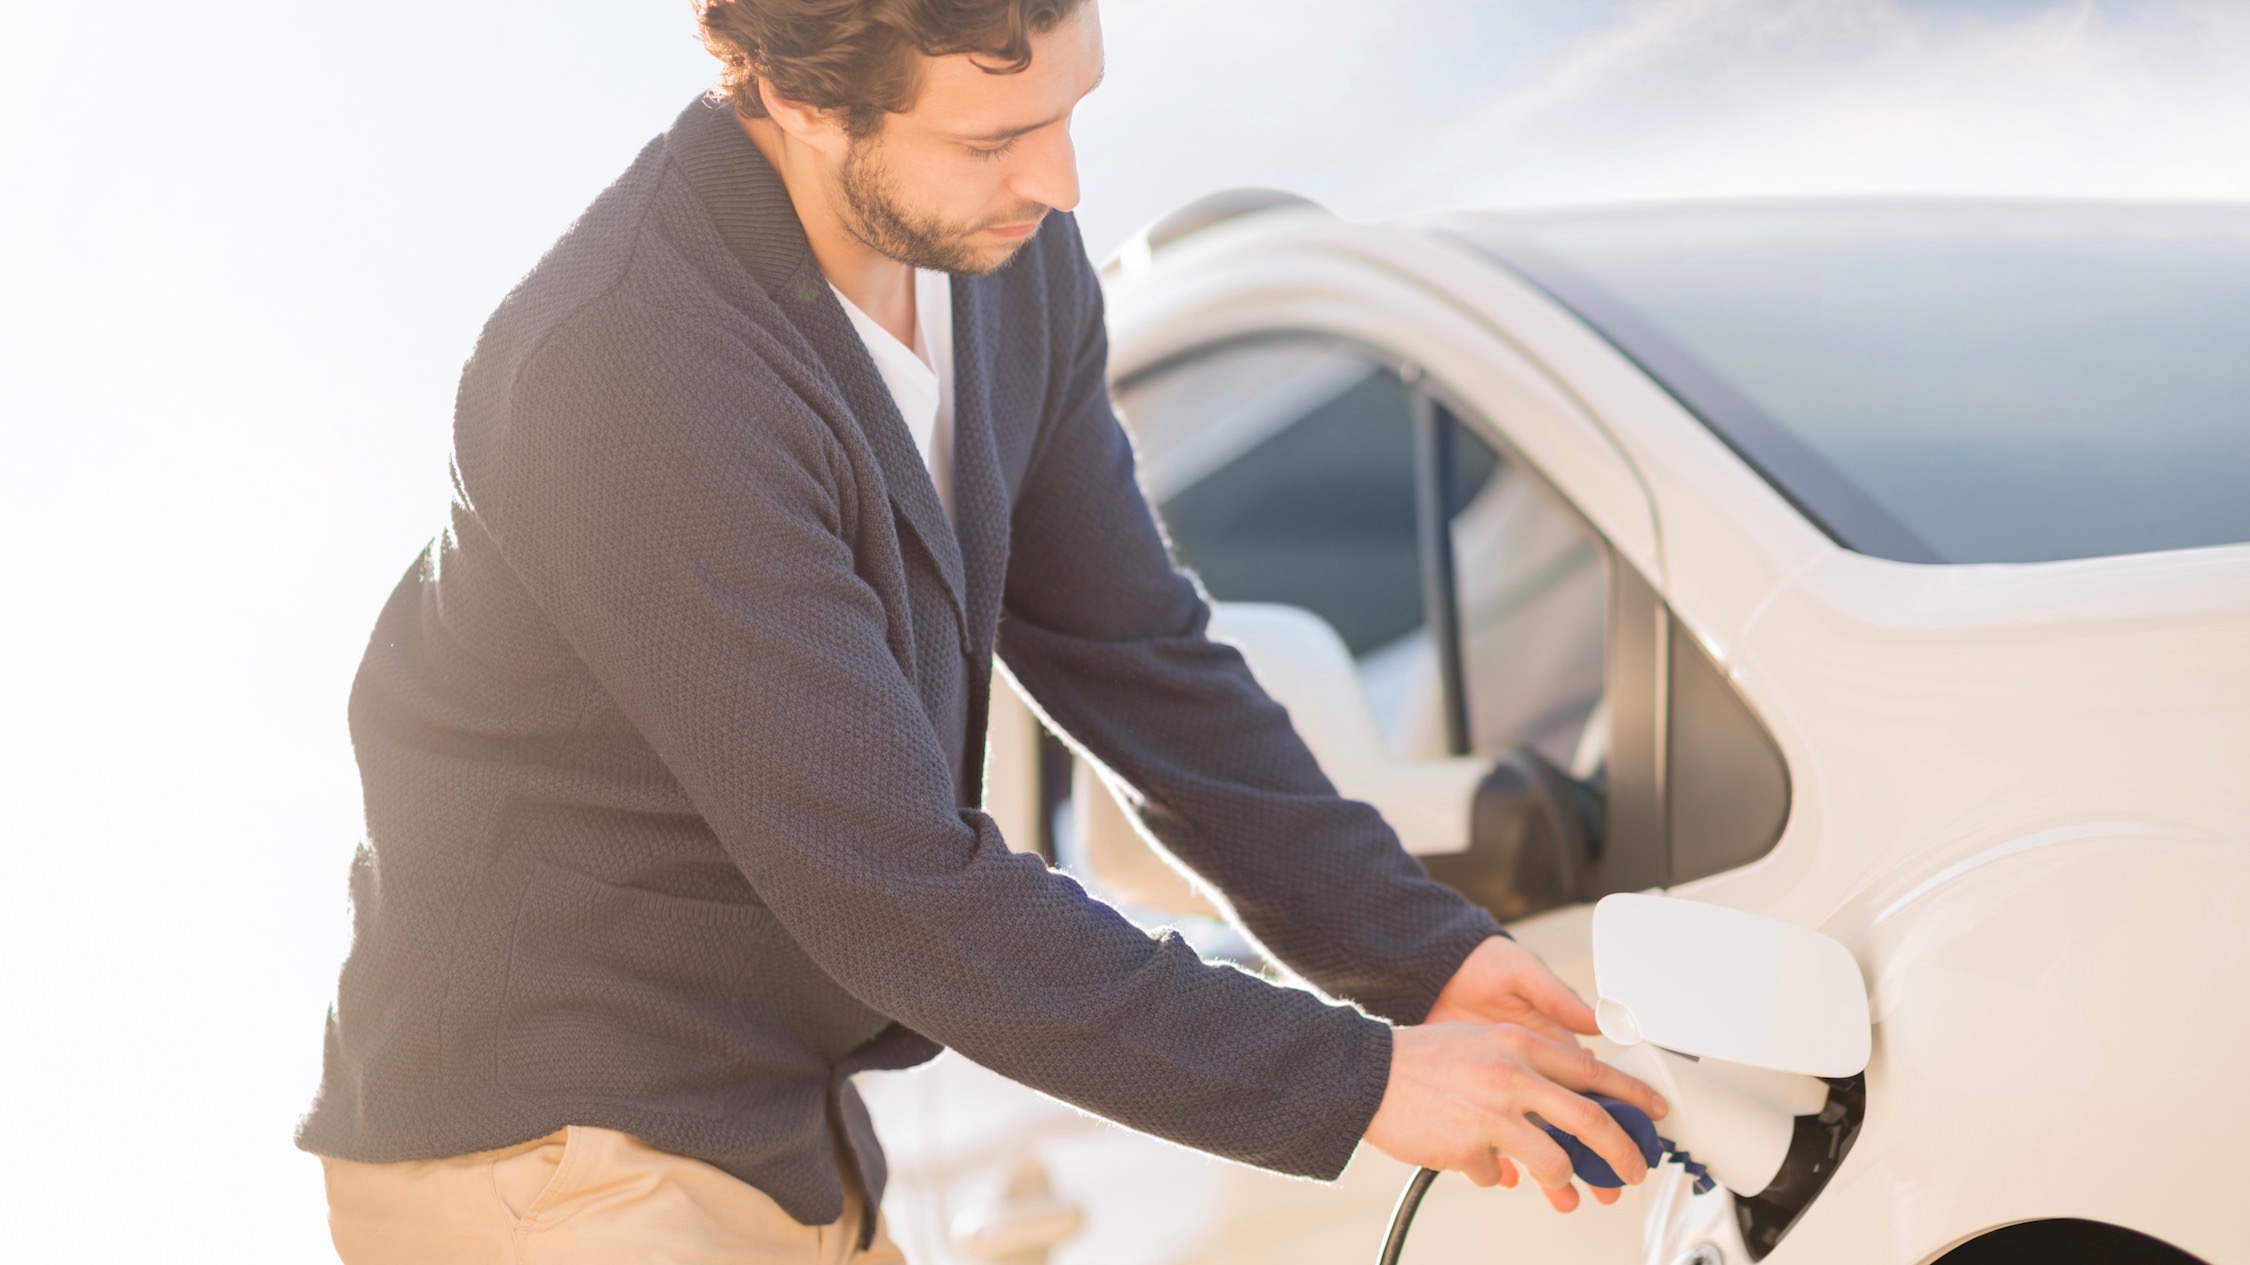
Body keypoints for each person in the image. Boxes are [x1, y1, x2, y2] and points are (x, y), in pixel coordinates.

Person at [296, 1, 1666, 1260]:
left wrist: (1425, 953)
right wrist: (1357, 1079)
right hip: (549, 1160)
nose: (1061, 181)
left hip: (787, 1138)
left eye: (1075, 109)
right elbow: (897, 887)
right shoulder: (627, 370)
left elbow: (1137, 657)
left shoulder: (1005, 267)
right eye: (996, 136)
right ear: (798, 97)